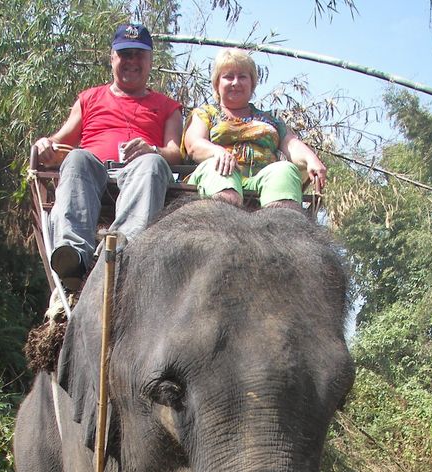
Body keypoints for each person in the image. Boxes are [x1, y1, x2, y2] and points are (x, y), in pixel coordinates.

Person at [33, 23, 183, 289]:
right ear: (112, 57)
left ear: (150, 61)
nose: (132, 61)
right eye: (125, 54)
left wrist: (153, 150)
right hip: (94, 171)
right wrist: (46, 144)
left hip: (138, 173)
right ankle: (73, 255)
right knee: (77, 158)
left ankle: (123, 250)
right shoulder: (90, 99)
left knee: (152, 163)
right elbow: (59, 143)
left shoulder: (167, 106)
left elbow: (174, 151)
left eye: (139, 54)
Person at [182, 47, 327, 210]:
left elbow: (291, 144)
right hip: (217, 178)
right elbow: (194, 144)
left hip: (261, 182)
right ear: (217, 83)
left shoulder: (271, 119)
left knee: (285, 169)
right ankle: (224, 223)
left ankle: (280, 226)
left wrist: (311, 159)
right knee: (220, 171)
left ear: (252, 84)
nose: (235, 82)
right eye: (228, 77)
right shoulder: (205, 113)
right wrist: (217, 152)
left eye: (242, 77)